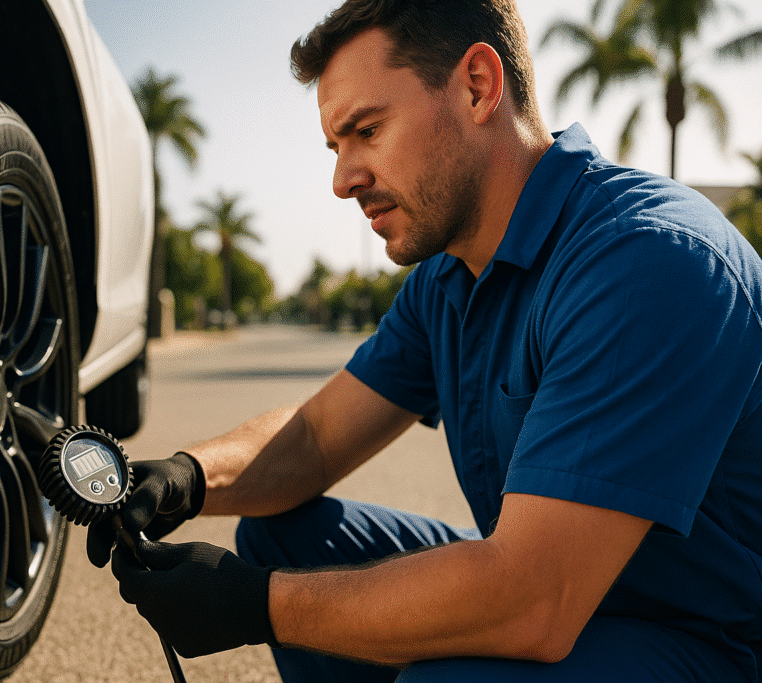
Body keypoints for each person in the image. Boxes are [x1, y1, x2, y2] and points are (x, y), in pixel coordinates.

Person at [86, 1, 762, 680]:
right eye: (336, 145)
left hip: (708, 635)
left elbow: (532, 599)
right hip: (561, 588)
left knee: (448, 675)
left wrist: (257, 606)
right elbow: (316, 437)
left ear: (477, 86)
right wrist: (188, 477)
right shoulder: (448, 276)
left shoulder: (643, 260)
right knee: (280, 542)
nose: (342, 179)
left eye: (368, 130)